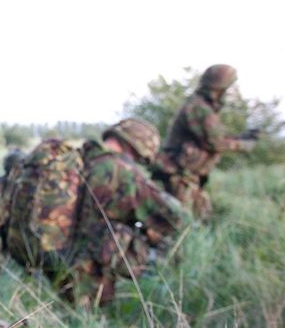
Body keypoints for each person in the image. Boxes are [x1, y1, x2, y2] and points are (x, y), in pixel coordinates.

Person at [68, 118, 187, 305]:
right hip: (87, 280)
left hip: (56, 261)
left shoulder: (80, 158)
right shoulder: (124, 172)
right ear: (137, 146)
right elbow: (172, 217)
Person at [153, 64, 256, 218]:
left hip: (187, 177)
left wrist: (239, 137)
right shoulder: (199, 108)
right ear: (220, 88)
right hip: (179, 175)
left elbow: (215, 135)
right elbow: (214, 143)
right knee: (179, 222)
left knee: (199, 220)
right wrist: (243, 145)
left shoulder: (202, 106)